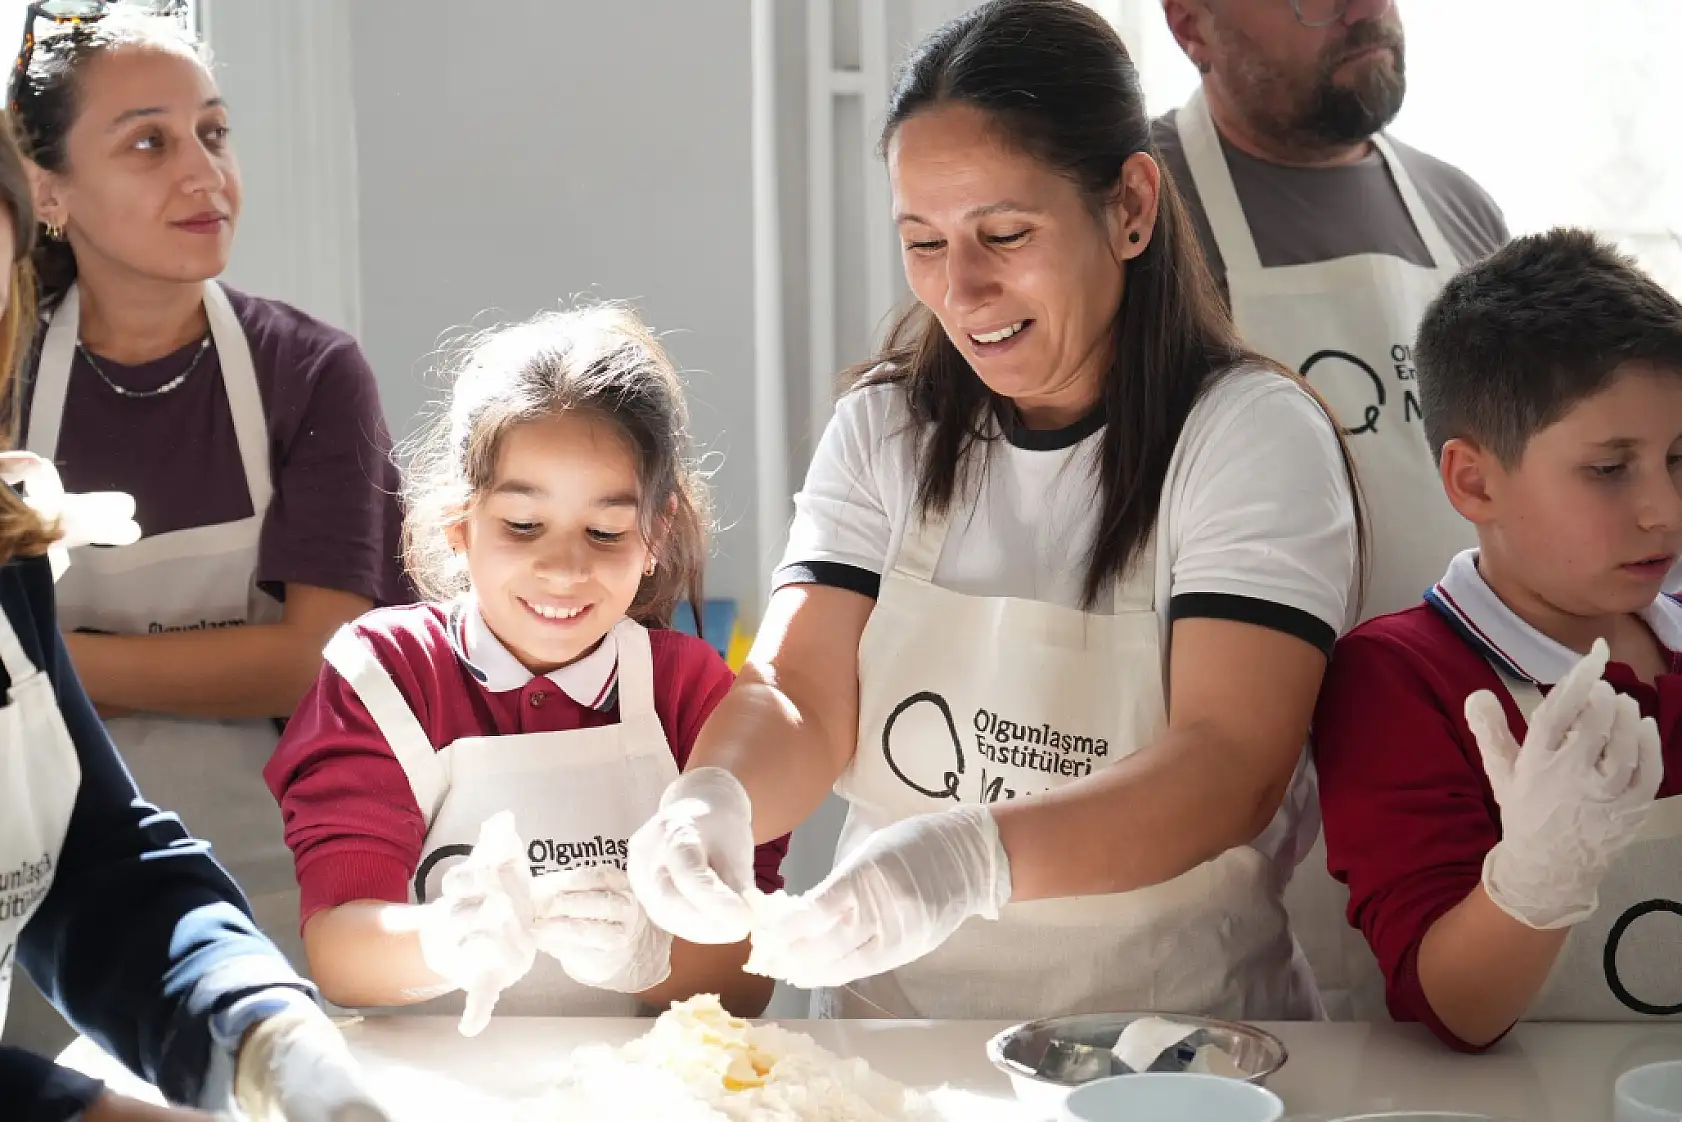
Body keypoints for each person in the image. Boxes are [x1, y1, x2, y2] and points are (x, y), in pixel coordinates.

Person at [627, 0, 1362, 1022]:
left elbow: (1226, 762)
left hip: (1170, 1050)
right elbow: (798, 689)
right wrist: (713, 799)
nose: (961, 288)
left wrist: (967, 858)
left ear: (1130, 207)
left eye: (1003, 234)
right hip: (897, 1048)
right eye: (921, 242)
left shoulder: (1247, 437)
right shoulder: (886, 428)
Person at [7, 3, 407, 990]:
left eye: (213, 133)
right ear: (47, 188)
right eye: (148, 142)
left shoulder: (308, 373)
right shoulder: (8, 376)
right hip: (41, 898)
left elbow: (310, 661)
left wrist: (46, 665)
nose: (204, 174)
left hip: (276, 884)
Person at [264, 306, 790, 1032]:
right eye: (522, 524)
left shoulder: (691, 692)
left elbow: (749, 980)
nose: (564, 568)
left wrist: (650, 954)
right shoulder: (383, 677)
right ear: (460, 520)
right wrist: (442, 944)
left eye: (604, 531)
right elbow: (340, 951)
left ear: (655, 536)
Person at [1156, 0, 1511, 1019]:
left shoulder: (1458, 210)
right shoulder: (1141, 205)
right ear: (1191, 27)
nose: (1360, 11)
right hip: (1247, 775)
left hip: (1462, 753)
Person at [1312, 229, 1682, 1050]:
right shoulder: (1399, 680)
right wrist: (1537, 879)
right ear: (1474, 481)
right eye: (1611, 468)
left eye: (1681, 457)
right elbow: (1458, 1009)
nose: (1665, 510)